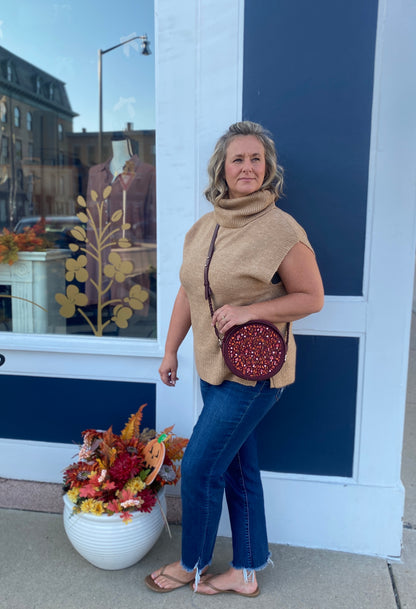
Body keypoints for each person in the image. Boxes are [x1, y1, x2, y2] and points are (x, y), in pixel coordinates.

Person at [145, 121, 324, 596]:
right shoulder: (203, 227)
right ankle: (246, 572)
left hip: (254, 375)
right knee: (238, 468)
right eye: (238, 159)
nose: (247, 167)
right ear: (222, 170)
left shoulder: (282, 229)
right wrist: (170, 350)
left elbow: (311, 297)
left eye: (256, 159)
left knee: (202, 466)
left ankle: (192, 563)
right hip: (211, 368)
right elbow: (188, 292)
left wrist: (250, 311)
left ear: (268, 170)